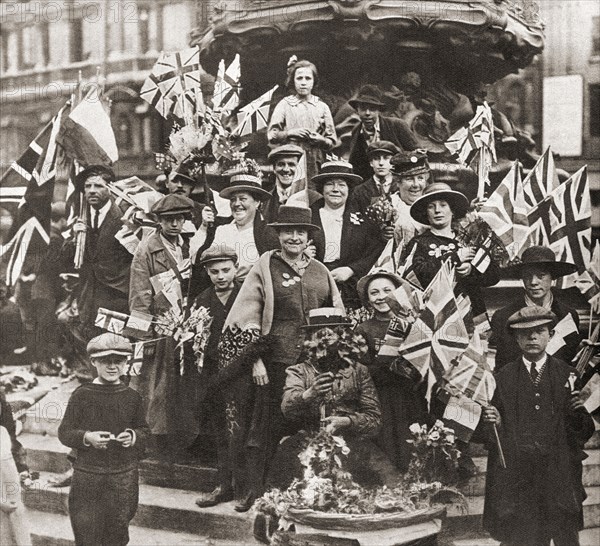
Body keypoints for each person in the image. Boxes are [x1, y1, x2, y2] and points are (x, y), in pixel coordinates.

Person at [216, 205, 344, 512]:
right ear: (279, 234)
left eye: (301, 232)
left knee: (313, 424)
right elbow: (246, 315)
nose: (294, 237)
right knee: (264, 429)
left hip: (312, 365)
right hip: (275, 362)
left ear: (308, 236)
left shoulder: (320, 271)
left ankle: (312, 490)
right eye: (288, 231)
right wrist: (255, 360)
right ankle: (255, 491)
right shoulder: (266, 265)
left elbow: (337, 314)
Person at [481, 306, 594, 546]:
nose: (532, 337)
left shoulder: (568, 375)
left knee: (565, 535)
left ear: (550, 335)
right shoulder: (504, 377)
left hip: (559, 473)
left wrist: (576, 414)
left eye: (539, 331)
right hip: (521, 476)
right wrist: (496, 422)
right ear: (516, 338)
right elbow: (493, 437)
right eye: (525, 333)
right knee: (524, 536)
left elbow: (584, 431)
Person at [271, 307, 402, 488]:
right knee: (289, 490)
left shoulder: (358, 371)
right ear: (309, 340)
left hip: (353, 444)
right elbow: (287, 409)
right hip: (308, 442)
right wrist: (309, 394)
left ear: (342, 338)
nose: (325, 338)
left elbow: (374, 420)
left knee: (390, 484)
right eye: (319, 334)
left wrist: (346, 421)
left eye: (332, 333)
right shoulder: (299, 371)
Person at [58, 333, 149, 546]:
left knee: (117, 533)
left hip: (123, 476)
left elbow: (144, 430)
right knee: (86, 533)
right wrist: (86, 437)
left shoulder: (132, 397)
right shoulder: (82, 395)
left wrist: (133, 437)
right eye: (105, 361)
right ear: (93, 362)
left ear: (126, 363)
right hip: (88, 476)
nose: (112, 366)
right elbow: (64, 432)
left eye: (118, 361)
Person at [129, 194, 196, 451]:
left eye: (180, 219)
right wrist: (142, 336)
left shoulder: (188, 246)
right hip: (160, 326)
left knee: (182, 383)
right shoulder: (147, 249)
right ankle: (154, 439)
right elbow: (139, 295)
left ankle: (182, 437)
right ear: (159, 221)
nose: (175, 224)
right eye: (169, 220)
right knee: (157, 384)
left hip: (187, 326)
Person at [354, 270, 427, 472]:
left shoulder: (412, 325)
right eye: (374, 293)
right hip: (381, 398)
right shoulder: (363, 329)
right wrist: (386, 364)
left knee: (413, 442)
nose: (381, 297)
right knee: (387, 444)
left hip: (410, 395)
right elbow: (362, 368)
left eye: (387, 290)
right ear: (367, 299)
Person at [402, 182, 499, 317]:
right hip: (436, 314)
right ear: (426, 213)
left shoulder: (469, 239)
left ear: (452, 210)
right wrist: (455, 258)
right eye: (431, 207)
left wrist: (471, 271)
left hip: (472, 311)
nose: (437, 210)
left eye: (443, 205)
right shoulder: (419, 243)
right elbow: (418, 276)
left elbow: (493, 276)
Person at [193, 245, 241, 508]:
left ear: (235, 268)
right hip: (214, 375)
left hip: (244, 373)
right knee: (221, 430)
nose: (221, 276)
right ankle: (223, 485)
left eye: (226, 270)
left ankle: (246, 486)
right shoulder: (202, 300)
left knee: (245, 429)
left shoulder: (248, 293)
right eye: (214, 272)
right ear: (207, 273)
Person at [65, 165, 132, 342]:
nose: (92, 191)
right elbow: (65, 260)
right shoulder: (80, 217)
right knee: (91, 343)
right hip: (88, 293)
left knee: (114, 343)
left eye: (98, 186)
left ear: (110, 189)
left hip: (116, 293)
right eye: (88, 186)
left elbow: (135, 257)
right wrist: (74, 238)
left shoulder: (124, 217)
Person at [490, 246, 581, 371]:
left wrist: (582, 350)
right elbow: (502, 367)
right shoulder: (503, 317)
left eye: (541, 276)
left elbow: (569, 362)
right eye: (527, 276)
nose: (533, 282)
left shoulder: (568, 315)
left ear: (552, 277)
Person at [310, 158, 384, 308]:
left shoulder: (363, 218)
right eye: (330, 184)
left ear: (349, 189)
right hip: (314, 285)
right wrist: (303, 253)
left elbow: (374, 250)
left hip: (351, 287)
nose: (336, 189)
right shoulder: (309, 215)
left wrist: (351, 270)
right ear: (322, 188)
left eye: (341, 185)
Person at [190, 172, 278, 282]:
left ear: (257, 202)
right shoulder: (221, 230)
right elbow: (196, 259)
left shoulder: (267, 233)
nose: (236, 204)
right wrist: (204, 226)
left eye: (242, 199)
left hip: (253, 294)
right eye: (233, 199)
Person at [15, 201, 67, 374]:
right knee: (44, 328)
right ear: (62, 220)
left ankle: (36, 363)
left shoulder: (38, 234)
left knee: (33, 327)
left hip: (28, 288)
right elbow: (52, 265)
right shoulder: (54, 237)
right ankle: (41, 365)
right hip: (43, 288)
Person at [268, 58, 337, 184]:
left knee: (314, 193)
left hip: (315, 159)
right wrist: (290, 133)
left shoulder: (321, 106)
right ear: (293, 81)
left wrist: (321, 140)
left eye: (308, 78)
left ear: (314, 81)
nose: (303, 83)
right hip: (290, 159)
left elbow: (332, 141)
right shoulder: (285, 104)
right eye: (299, 78)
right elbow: (272, 135)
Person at [347, 85, 419, 181]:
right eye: (363, 109)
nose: (367, 113)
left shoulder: (396, 125)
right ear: (357, 110)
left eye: (372, 109)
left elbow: (419, 154)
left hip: (399, 180)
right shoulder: (356, 131)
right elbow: (355, 164)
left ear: (379, 110)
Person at [262, 144, 321, 223]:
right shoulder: (265, 200)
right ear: (274, 169)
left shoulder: (313, 199)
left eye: (291, 164)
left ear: (300, 168)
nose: (286, 169)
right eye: (281, 164)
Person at [1, 407, 31, 546]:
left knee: (18, 533)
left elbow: (11, 458)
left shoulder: (3, 432)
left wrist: (21, 471)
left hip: (11, 497)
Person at [391, 149, 431, 246]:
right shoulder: (388, 206)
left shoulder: (433, 206)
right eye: (409, 179)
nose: (416, 185)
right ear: (397, 182)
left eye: (420, 178)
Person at [350, 140, 401, 215]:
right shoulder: (359, 191)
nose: (381, 163)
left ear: (393, 162)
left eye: (386, 158)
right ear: (371, 163)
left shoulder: (401, 187)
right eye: (376, 159)